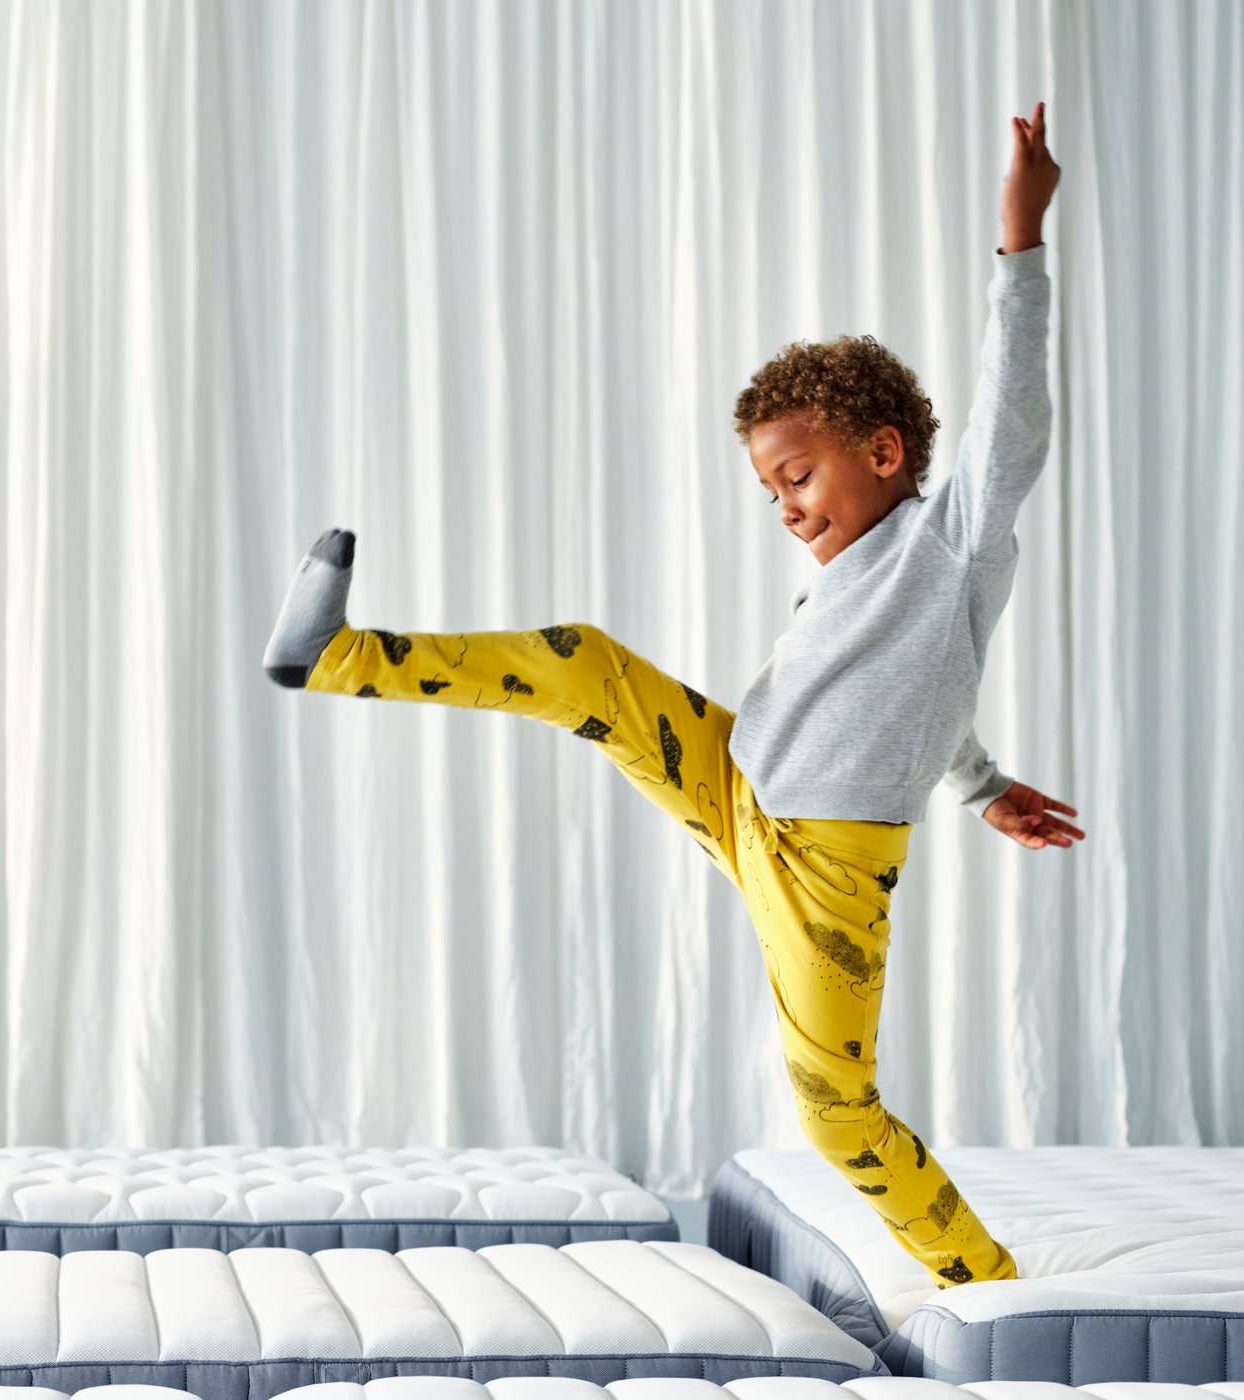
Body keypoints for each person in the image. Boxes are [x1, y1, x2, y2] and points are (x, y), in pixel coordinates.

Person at [262, 104, 1080, 1290]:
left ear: (887, 454)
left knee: (837, 1112)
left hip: (827, 875)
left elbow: (1010, 423)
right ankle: (331, 656)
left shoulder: (945, 545)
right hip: (735, 781)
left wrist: (1019, 236)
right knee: (582, 660)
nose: (787, 506)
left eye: (797, 477)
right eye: (770, 492)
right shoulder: (856, 588)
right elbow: (919, 704)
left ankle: (984, 1281)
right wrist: (985, 784)